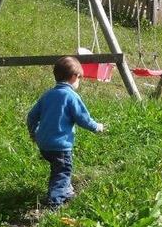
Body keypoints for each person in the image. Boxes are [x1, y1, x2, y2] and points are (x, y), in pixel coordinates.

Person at [27, 56, 105, 207]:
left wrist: (34, 133)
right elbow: (83, 118)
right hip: (60, 145)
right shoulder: (71, 96)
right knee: (62, 171)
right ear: (74, 76)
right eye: (79, 78)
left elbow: (31, 116)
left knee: (59, 168)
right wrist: (97, 127)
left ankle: (66, 191)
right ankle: (55, 202)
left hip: (44, 144)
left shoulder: (48, 95)